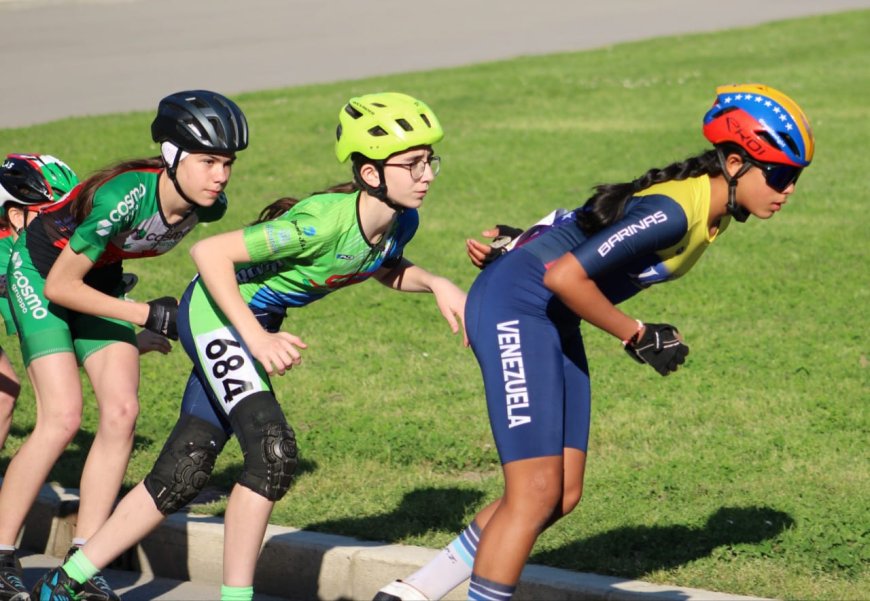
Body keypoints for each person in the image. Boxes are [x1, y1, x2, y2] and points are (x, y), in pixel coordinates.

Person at [374, 82, 814, 601]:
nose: (787, 190)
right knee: (533, 493)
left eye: (795, 178)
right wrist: (638, 334)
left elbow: (584, 226)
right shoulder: (678, 210)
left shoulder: (704, 203)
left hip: (548, 314)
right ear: (736, 163)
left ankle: (412, 594)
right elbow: (564, 277)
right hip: (518, 307)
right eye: (781, 175)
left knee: (560, 494)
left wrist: (525, 241)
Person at [31, 91, 467, 601]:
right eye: (412, 164)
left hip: (251, 321)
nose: (427, 174)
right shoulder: (319, 222)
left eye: (429, 161)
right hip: (218, 313)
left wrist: (435, 281)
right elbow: (209, 253)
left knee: (184, 471)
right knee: (272, 451)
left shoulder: (399, 222)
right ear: (371, 174)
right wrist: (256, 336)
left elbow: (376, 264)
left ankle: (65, 582)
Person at [0, 90, 248, 601]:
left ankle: (83, 562)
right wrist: (147, 315)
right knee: (62, 416)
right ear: (173, 158)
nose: (220, 175)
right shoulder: (125, 196)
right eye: (207, 161)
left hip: (99, 277)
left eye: (227, 162)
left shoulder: (207, 207)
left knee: (121, 413)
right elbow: (61, 288)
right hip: (45, 273)